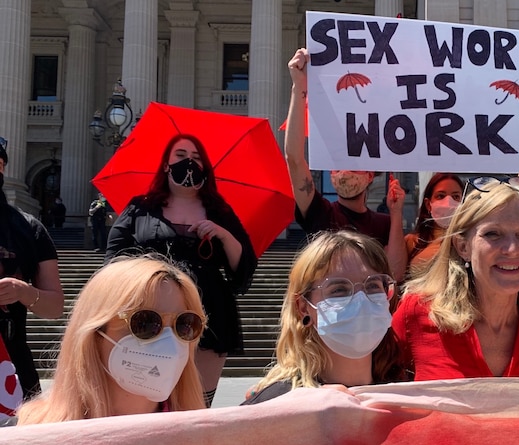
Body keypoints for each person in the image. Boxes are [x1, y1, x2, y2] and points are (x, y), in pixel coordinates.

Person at [106, 134, 257, 407]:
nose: (188, 161)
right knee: (149, 400)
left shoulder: (219, 211)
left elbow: (244, 265)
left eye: (196, 157)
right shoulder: (141, 208)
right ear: (166, 164)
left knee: (196, 406)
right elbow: (114, 260)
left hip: (208, 311)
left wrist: (222, 234)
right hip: (150, 312)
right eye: (180, 155)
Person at [392, 179, 519, 380]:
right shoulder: (416, 313)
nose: (513, 249)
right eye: (493, 234)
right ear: (463, 247)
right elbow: (377, 385)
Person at [15, 256, 206, 424]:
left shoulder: (203, 442)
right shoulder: (29, 437)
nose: (170, 343)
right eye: (146, 322)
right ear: (95, 334)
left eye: (185, 325)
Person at [284, 47, 408, 281]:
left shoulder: (384, 223)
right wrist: (299, 86)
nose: (343, 173)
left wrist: (397, 214)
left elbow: (395, 273)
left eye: (353, 165)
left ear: (370, 175)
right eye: (337, 165)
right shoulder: (320, 212)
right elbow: (294, 158)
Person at [243, 231, 402, 404]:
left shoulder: (406, 396)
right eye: (339, 289)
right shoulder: (276, 402)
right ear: (303, 307)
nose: (361, 300)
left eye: (372, 285)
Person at [0, 141, 64, 401]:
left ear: (2, 167)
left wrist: (24, 292)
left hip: (12, 371)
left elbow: (55, 307)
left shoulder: (28, 228)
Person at [405, 173, 464, 277]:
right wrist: (396, 212)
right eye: (440, 196)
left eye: (456, 197)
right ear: (428, 204)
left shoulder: (469, 242)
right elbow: (395, 275)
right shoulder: (412, 241)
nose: (448, 203)